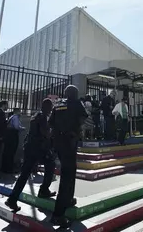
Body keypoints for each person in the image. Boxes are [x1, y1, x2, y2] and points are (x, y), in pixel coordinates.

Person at [5, 99, 57, 212]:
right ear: (47, 107)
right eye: (51, 107)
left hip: (31, 147)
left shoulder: (35, 116)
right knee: (50, 165)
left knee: (24, 174)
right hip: (38, 148)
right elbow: (46, 133)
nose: (51, 110)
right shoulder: (42, 117)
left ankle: (12, 199)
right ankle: (43, 190)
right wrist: (54, 132)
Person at [48, 85, 88, 228]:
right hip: (70, 143)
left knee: (69, 172)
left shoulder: (58, 104)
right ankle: (58, 215)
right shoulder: (77, 104)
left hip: (58, 144)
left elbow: (50, 122)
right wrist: (74, 129)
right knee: (67, 176)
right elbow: (84, 118)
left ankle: (69, 200)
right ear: (75, 94)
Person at [1, 108, 25, 173]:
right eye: (20, 111)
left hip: (8, 136)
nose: (20, 113)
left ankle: (4, 168)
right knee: (11, 152)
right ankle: (9, 168)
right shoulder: (15, 117)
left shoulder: (11, 117)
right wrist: (22, 128)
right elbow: (16, 127)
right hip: (12, 136)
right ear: (17, 111)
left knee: (7, 152)